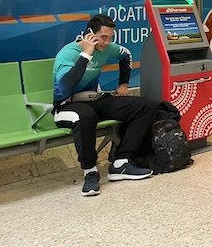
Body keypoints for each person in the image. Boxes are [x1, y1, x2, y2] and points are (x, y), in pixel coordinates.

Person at [53, 14, 157, 196]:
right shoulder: (68, 53)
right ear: (89, 35)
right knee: (85, 116)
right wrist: (86, 54)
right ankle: (90, 171)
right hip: (67, 105)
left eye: (111, 38)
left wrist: (123, 84)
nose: (107, 42)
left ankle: (121, 162)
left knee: (144, 106)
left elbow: (126, 55)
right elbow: (65, 86)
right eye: (103, 37)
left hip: (95, 100)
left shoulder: (107, 49)